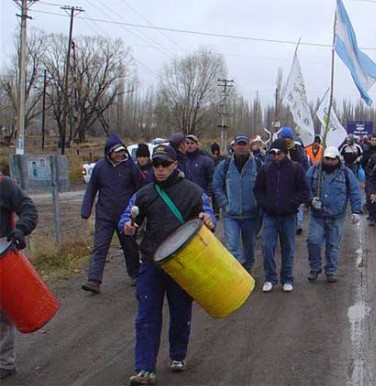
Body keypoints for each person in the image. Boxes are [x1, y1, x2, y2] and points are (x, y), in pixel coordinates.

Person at [120, 145, 215, 385]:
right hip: (152, 262)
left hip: (183, 263)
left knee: (180, 312)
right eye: (156, 165)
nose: (160, 169)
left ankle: (178, 355)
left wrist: (207, 219)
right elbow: (128, 217)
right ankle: (144, 368)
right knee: (146, 315)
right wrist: (127, 226)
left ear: (175, 165)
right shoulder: (144, 194)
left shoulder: (194, 192)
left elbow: (209, 215)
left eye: (165, 164)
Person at [81, 134, 143, 294]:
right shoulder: (100, 168)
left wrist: (142, 211)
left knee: (129, 246)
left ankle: (136, 274)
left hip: (126, 216)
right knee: (100, 246)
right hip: (105, 215)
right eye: (116, 152)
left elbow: (141, 190)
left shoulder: (130, 167)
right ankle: (94, 280)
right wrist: (86, 210)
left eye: (122, 151)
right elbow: (91, 190)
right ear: (109, 152)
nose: (120, 154)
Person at [253, 138, 309, 293]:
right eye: (272, 153)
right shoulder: (265, 169)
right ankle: (270, 278)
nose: (275, 156)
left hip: (289, 215)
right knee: (267, 247)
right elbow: (258, 190)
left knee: (288, 248)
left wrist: (292, 204)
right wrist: (265, 204)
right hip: (270, 215)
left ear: (285, 153)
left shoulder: (296, 168)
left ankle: (287, 278)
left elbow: (304, 191)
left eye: (278, 153)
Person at [0, 176, 38, 380]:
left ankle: (4, 363)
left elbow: (28, 208)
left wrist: (21, 229)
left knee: (2, 315)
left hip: (3, 259)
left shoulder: (4, 185)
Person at [306, 147, 362, 283]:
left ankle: (331, 271)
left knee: (333, 245)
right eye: (327, 158)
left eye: (333, 159)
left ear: (338, 159)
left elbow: (354, 192)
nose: (330, 161)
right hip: (317, 215)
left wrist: (356, 211)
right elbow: (304, 188)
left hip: (337, 216)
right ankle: (315, 267)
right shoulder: (314, 171)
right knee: (313, 241)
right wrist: (310, 199)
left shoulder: (346, 174)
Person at [212, 134, 261, 272]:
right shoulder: (224, 165)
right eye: (238, 144)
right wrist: (225, 204)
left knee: (249, 248)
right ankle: (238, 274)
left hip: (251, 215)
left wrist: (258, 204)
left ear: (249, 146)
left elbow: (264, 186)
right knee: (232, 246)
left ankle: (248, 269)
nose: (241, 147)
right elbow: (216, 186)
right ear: (233, 146)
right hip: (231, 215)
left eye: (244, 144)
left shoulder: (258, 165)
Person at [278, 126, 309, 235]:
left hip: (296, 182)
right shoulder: (277, 149)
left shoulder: (298, 150)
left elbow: (305, 165)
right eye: (284, 137)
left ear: (292, 138)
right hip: (281, 182)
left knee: (298, 204)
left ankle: (298, 225)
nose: (286, 140)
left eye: (288, 137)